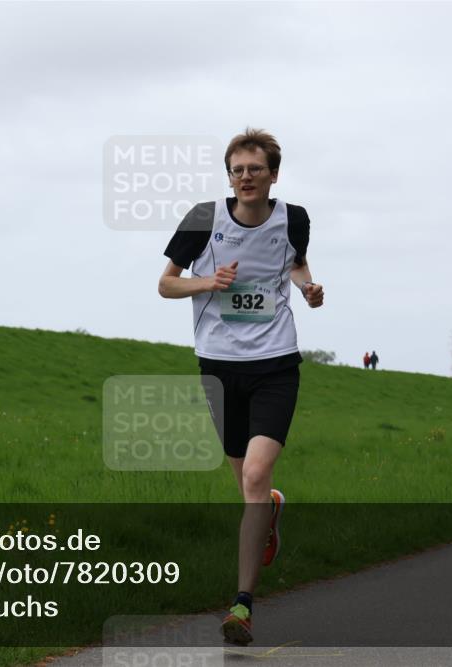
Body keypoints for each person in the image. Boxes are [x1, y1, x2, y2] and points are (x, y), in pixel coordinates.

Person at [158, 127, 324, 646]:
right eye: (237, 170)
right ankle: (271, 510)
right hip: (218, 364)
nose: (245, 177)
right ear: (228, 175)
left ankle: (242, 606)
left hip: (275, 363)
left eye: (255, 169)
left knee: (254, 474)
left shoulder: (293, 217)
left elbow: (293, 262)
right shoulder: (203, 219)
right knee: (249, 490)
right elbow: (166, 283)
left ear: (272, 175)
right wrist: (209, 281)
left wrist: (308, 287)